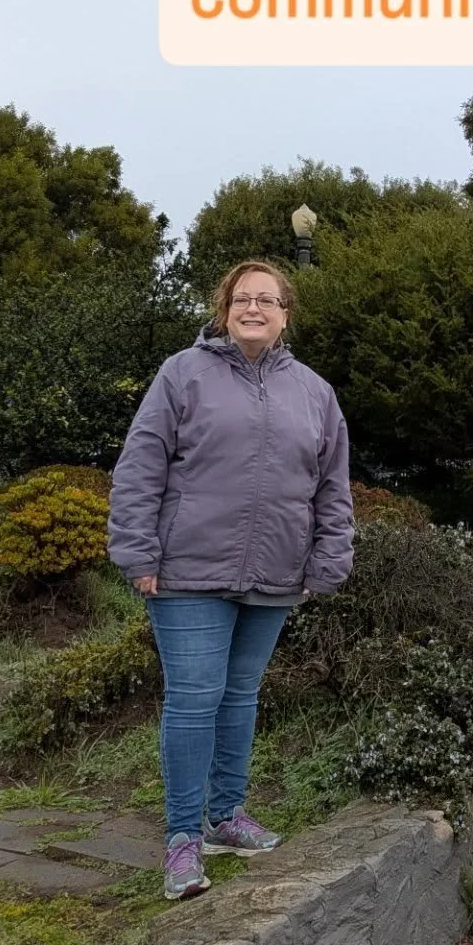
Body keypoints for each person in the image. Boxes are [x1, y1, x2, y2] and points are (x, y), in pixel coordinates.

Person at [108, 260, 353, 899]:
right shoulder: (182, 373)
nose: (253, 309)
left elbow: (332, 487)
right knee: (194, 698)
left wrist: (328, 560)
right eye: (242, 299)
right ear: (225, 310)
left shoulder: (315, 392)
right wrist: (137, 551)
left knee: (241, 695)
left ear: (284, 315)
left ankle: (226, 817)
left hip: (276, 572)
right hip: (187, 570)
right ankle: (182, 839)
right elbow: (140, 465)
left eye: (266, 300)